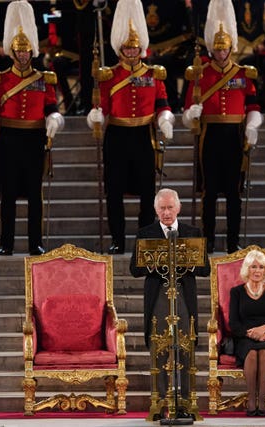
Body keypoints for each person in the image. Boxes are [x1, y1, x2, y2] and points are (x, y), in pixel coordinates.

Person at [87, 0, 175, 254]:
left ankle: (146, 240)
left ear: (141, 48)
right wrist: (95, 116)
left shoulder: (153, 74)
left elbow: (163, 104)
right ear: (120, 48)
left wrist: (166, 120)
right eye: (127, 47)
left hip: (143, 136)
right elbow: (101, 106)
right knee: (114, 192)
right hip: (117, 136)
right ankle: (117, 240)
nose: (131, 51)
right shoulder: (109, 76)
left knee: (148, 194)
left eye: (135, 47)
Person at [0, 0, 64, 256]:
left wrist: (54, 120)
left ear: (32, 51)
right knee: (7, 194)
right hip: (8, 138)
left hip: (34, 138)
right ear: (13, 52)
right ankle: (6, 243)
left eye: (27, 51)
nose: (24, 55)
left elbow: (52, 108)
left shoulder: (44, 78)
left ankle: (35, 243)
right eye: (19, 51)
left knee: (34, 194)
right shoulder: (0, 78)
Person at [182, 0, 263, 254]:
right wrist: (192, 114)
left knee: (234, 193)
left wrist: (253, 126)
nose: (220, 53)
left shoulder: (243, 74)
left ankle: (233, 242)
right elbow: (187, 114)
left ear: (231, 48)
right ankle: (207, 242)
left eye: (224, 49)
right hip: (210, 136)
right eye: (217, 50)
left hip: (235, 136)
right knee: (209, 192)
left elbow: (254, 107)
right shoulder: (199, 74)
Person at [129, 188, 210, 411]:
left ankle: (184, 402)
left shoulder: (192, 232)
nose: (166, 212)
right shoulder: (145, 233)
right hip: (159, 297)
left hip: (184, 296)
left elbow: (206, 269)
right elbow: (134, 269)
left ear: (178, 208)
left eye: (170, 208)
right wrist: (150, 264)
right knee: (159, 349)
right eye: (162, 208)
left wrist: (189, 263)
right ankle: (160, 402)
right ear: (156, 210)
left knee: (185, 348)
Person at [228, 249, 265, 417]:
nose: (257, 271)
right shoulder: (237, 292)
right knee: (252, 352)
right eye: (253, 267)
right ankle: (251, 399)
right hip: (244, 336)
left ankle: (262, 400)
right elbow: (233, 323)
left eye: (261, 267)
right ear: (247, 269)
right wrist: (252, 334)